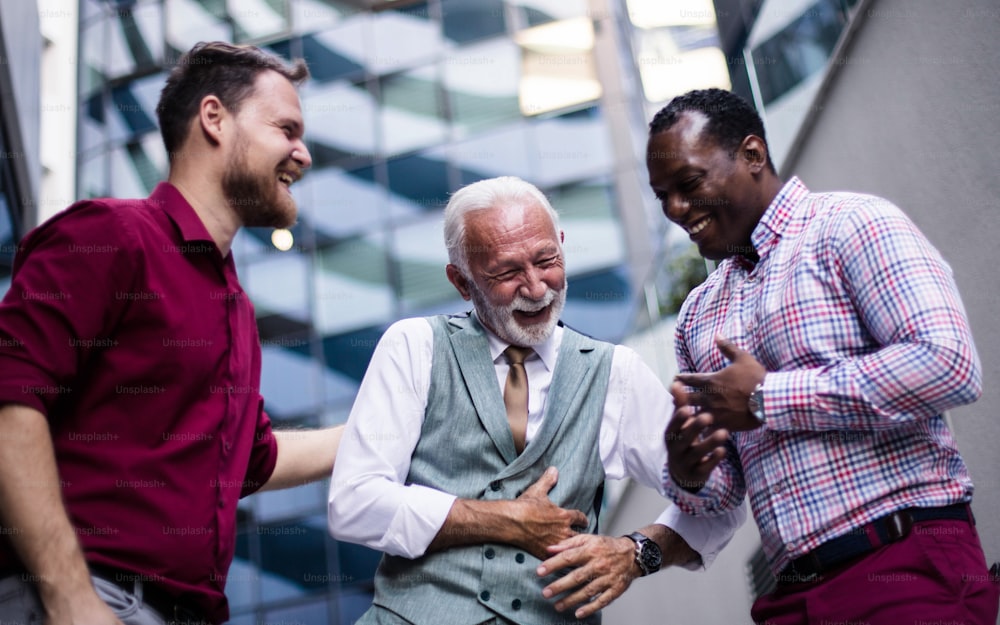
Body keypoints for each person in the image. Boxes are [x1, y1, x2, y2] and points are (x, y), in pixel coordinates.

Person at [0, 42, 343, 625]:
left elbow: (252, 459)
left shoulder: (233, 303)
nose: (302, 154)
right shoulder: (111, 233)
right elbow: (10, 398)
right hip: (86, 598)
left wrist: (394, 423)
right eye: (286, 129)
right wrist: (71, 598)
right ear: (214, 118)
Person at [327, 175, 746, 625]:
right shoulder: (414, 347)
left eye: (546, 259)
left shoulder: (615, 374)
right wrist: (504, 519)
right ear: (461, 281)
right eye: (506, 273)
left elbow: (723, 500)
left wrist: (636, 553)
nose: (535, 287)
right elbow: (354, 503)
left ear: (562, 245)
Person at [649, 88, 1000, 624]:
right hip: (791, 599)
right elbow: (725, 494)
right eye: (662, 196)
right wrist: (688, 471)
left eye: (689, 184)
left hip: (905, 566)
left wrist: (769, 397)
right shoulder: (697, 314)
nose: (675, 209)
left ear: (752, 155)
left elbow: (948, 364)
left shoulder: (852, 224)